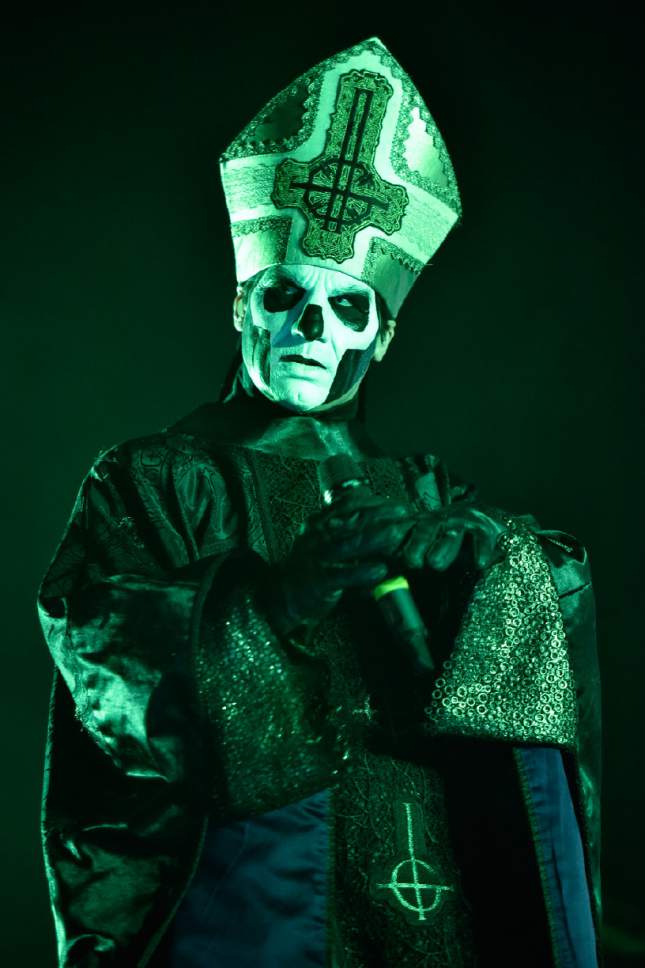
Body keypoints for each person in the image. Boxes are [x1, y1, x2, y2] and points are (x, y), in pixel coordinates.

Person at [37, 36, 602, 967]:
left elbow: (515, 712)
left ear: (381, 337)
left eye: (347, 308)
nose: (309, 327)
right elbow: (104, 650)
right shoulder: (156, 478)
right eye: (284, 295)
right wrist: (274, 599)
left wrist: (486, 573)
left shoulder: (419, 497)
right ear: (237, 305)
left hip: (432, 906)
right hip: (251, 906)